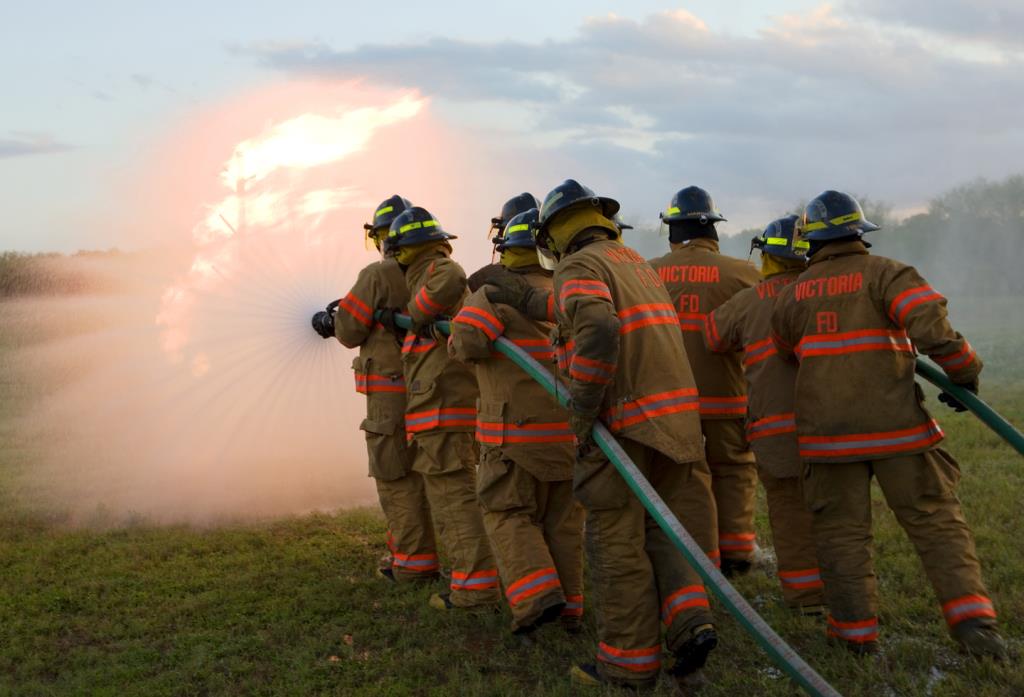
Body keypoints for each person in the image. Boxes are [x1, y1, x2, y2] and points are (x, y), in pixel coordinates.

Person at [482, 180, 719, 690]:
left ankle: (627, 665)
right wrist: (527, 299)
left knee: (617, 543)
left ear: (554, 234)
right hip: (675, 422)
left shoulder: (577, 266)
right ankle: (690, 624)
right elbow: (584, 311)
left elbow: (598, 329)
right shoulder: (632, 260)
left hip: (625, 425)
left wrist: (583, 410)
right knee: (663, 532)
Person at [771, 190, 1006, 659]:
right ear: (859, 232)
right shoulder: (888, 273)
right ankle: (974, 626)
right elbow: (932, 327)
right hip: (899, 432)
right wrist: (964, 374)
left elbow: (785, 350)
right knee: (937, 523)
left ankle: (854, 637)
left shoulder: (790, 294)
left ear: (810, 242)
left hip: (827, 440)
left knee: (840, 534)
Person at [449, 207, 585, 637]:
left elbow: (467, 342)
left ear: (504, 249)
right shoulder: (562, 294)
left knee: (508, 513)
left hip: (512, 439)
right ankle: (571, 609)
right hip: (566, 435)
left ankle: (536, 597)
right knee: (563, 523)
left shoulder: (493, 295)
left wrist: (453, 330)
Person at [311, 196, 438, 583]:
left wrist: (329, 321)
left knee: (395, 476)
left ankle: (414, 562)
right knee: (435, 475)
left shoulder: (377, 275)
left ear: (384, 237)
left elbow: (349, 331)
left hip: (390, 396)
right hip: (433, 391)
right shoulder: (439, 271)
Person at [380, 205, 501, 611]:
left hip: (444, 410)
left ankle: (475, 590)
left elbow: (452, 277)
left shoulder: (438, 268)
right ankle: (472, 582)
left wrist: (410, 316)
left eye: (395, 247)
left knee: (454, 499)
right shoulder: (421, 274)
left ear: (407, 248)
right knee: (450, 499)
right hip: (435, 409)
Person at [703, 216, 825, 612]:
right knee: (841, 513)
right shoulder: (823, 292)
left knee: (789, 511)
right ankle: (848, 593)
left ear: (767, 254)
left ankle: (806, 598)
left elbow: (714, 337)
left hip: (777, 429)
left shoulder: (751, 299)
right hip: (835, 425)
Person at [648, 186, 762, 577]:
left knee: (682, 479)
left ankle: (693, 553)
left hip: (668, 403)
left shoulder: (647, 273)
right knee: (732, 471)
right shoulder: (744, 273)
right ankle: (737, 553)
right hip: (726, 400)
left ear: (672, 231)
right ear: (712, 228)